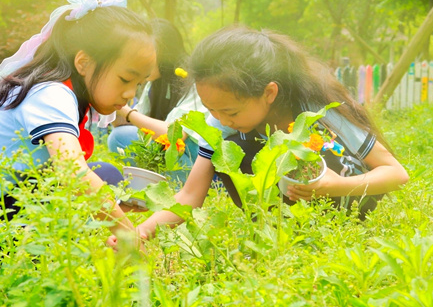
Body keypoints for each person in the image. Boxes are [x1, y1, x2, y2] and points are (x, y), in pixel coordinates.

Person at [112, 25, 409, 245]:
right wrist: (140, 233)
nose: (220, 119)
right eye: (211, 110)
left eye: (230, 111)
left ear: (269, 93)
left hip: (349, 204)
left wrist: (334, 186)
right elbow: (190, 195)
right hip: (286, 226)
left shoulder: (316, 107)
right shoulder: (224, 125)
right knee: (231, 147)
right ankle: (276, 231)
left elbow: (396, 174)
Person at [0, 0, 156, 240]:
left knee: (105, 174)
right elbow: (74, 174)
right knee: (95, 180)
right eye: (125, 78)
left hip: (3, 203)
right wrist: (128, 235)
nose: (129, 94)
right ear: (83, 63)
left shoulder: (54, 88)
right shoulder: (53, 94)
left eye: (138, 84)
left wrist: (111, 210)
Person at [107, 19, 200, 175]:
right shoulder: (154, 81)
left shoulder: (193, 81)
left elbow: (175, 135)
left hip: (197, 161)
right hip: (173, 154)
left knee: (119, 137)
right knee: (118, 138)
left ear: (167, 54)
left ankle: (174, 184)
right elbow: (138, 128)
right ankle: (150, 180)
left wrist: (127, 112)